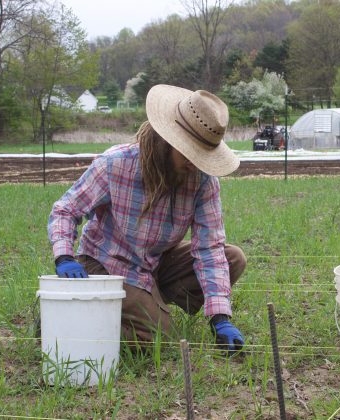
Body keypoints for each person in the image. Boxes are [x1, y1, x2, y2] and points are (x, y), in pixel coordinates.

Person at [48, 85, 246, 355]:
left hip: (154, 263)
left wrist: (220, 317)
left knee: (233, 257)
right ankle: (70, 323)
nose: (195, 164)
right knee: (162, 341)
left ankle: (150, 301)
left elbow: (209, 248)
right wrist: (64, 256)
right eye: (190, 154)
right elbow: (66, 209)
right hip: (107, 264)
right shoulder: (115, 165)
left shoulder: (202, 182)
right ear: (170, 141)